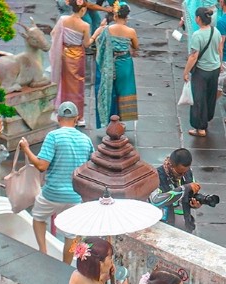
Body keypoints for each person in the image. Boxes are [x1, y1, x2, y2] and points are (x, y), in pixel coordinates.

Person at [19, 102, 95, 264]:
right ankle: (65, 266)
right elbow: (91, 168)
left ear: (59, 118)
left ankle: (43, 251)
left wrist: (26, 148)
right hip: (75, 197)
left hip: (52, 194)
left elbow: (41, 166)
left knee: (38, 217)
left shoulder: (53, 137)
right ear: (77, 119)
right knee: (71, 234)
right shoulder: (86, 140)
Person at [92, 3, 139, 130]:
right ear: (126, 16)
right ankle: (122, 119)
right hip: (125, 63)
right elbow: (136, 46)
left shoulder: (107, 29)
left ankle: (111, 118)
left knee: (110, 90)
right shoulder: (131, 31)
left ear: (115, 15)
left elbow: (97, 43)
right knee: (124, 90)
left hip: (110, 63)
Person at [50, 0, 92, 127]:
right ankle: (78, 116)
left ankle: (63, 111)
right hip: (77, 56)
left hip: (64, 54)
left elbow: (53, 33)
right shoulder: (85, 25)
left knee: (64, 83)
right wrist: (97, 34)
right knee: (77, 86)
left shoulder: (63, 20)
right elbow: (86, 44)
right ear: (83, 10)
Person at [183, 7, 224, 138]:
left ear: (198, 19)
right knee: (210, 96)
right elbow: (219, 50)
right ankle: (206, 119)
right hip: (214, 69)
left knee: (198, 98)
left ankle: (200, 128)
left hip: (202, 71)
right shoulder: (215, 31)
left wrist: (186, 72)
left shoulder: (197, 35)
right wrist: (220, 63)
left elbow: (193, 57)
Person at [150, 148, 201, 234]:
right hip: (165, 228)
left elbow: (190, 196)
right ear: (171, 165)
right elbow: (156, 201)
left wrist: (195, 203)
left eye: (186, 171)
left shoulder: (187, 172)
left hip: (186, 226)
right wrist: (184, 188)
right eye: (180, 173)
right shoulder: (156, 176)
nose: (183, 175)